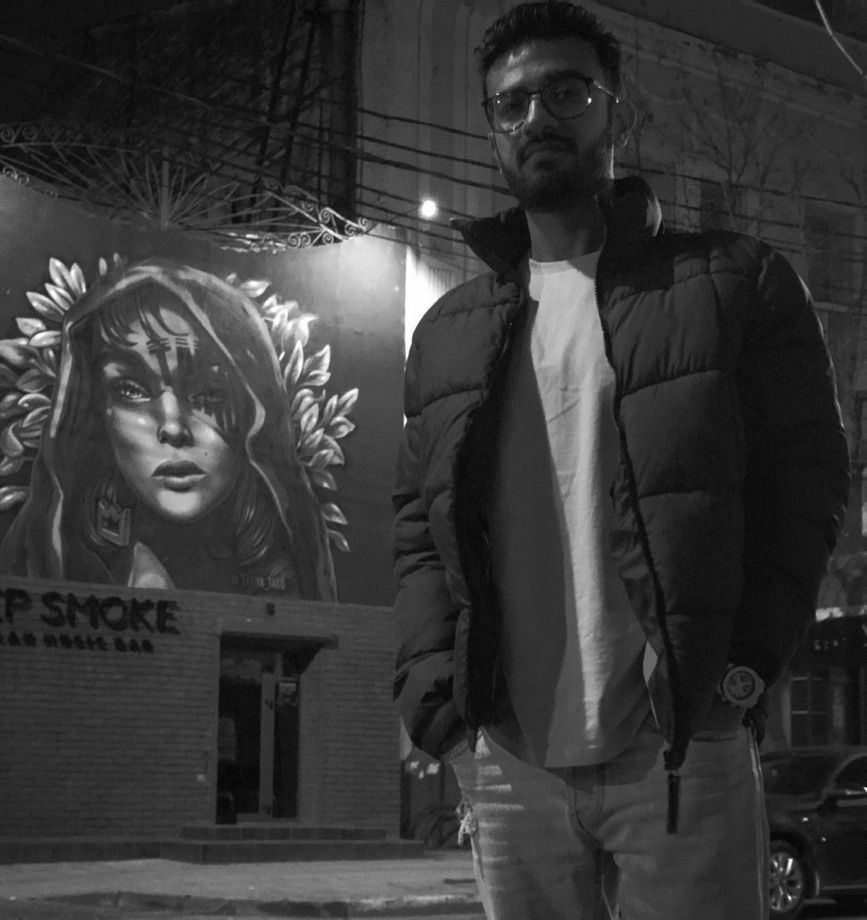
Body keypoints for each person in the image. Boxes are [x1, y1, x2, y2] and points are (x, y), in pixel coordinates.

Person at [391, 3, 850, 918]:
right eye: (511, 102)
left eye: (566, 92)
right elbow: (417, 531)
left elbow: (805, 486)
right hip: (510, 754)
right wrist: (439, 708)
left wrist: (742, 668)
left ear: (615, 111)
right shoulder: (447, 332)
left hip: (681, 740)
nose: (537, 117)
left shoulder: (733, 284)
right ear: (492, 128)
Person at [1, 259, 336, 600]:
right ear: (96, 412)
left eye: (210, 392)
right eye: (130, 389)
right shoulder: (51, 562)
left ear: (254, 412)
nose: (173, 428)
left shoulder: (287, 578)